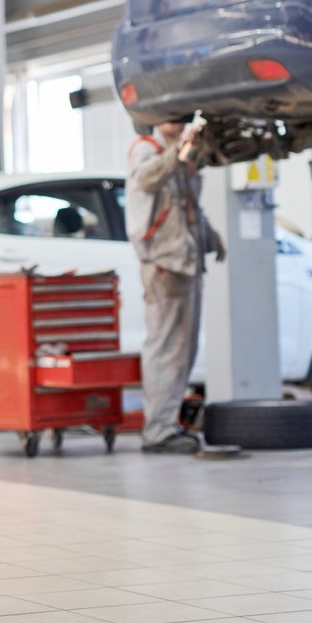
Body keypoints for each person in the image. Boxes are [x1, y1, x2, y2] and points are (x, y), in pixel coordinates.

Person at [126, 118, 224, 454]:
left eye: (180, 118)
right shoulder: (146, 150)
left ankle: (168, 424)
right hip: (164, 265)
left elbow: (188, 208)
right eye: (169, 118)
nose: (176, 123)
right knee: (165, 348)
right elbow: (146, 180)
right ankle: (157, 431)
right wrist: (178, 151)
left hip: (186, 262)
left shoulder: (183, 156)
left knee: (183, 351)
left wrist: (212, 238)